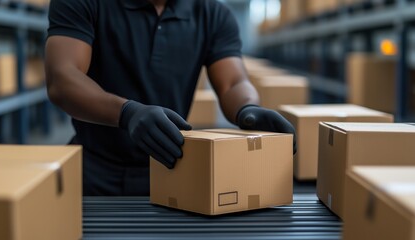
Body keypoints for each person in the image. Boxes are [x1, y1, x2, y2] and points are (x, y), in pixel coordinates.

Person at [45, 0, 296, 196]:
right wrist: (127, 113)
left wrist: (248, 109)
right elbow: (63, 78)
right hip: (93, 170)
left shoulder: (213, 14)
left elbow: (233, 82)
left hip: (170, 169)